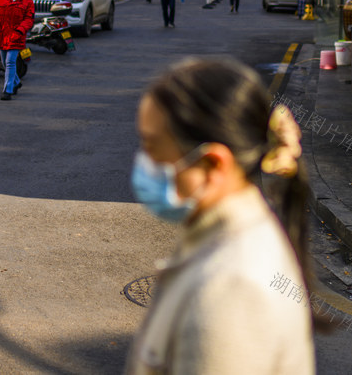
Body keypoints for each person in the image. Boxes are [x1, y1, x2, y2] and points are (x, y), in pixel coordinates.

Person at [126, 58, 325, 374]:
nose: (143, 160)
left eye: (152, 145)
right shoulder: (223, 235)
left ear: (213, 164)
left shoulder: (232, 290)